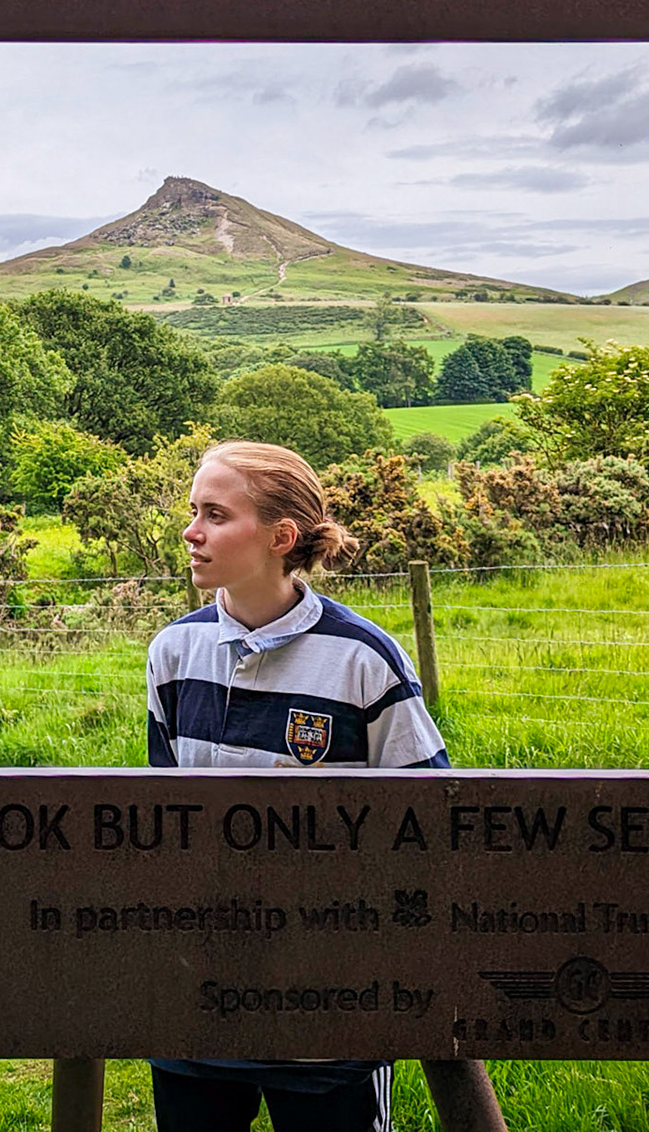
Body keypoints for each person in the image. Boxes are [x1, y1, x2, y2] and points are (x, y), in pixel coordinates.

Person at [144, 440, 467, 1132]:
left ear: (280, 537)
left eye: (214, 515)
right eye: (191, 511)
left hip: (330, 1013)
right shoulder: (172, 654)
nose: (190, 531)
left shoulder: (363, 660)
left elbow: (426, 826)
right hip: (197, 1003)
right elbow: (163, 828)